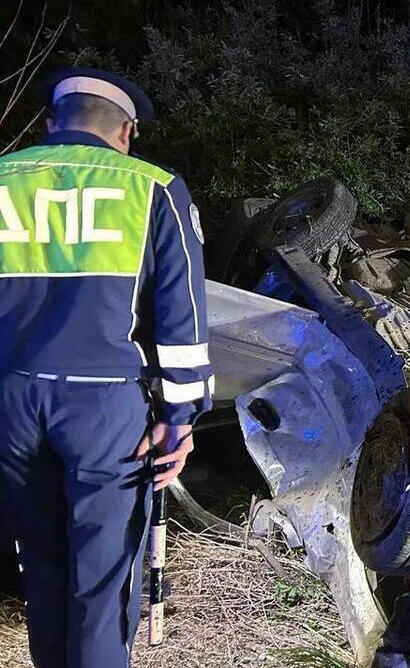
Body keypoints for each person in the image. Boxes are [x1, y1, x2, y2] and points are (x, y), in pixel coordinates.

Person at [0, 67, 213, 667]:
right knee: (103, 578)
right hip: (104, 407)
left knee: (41, 562)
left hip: (10, 398)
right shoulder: (154, 188)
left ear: (51, 124)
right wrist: (180, 416)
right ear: (126, 132)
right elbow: (182, 316)